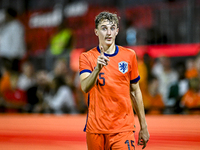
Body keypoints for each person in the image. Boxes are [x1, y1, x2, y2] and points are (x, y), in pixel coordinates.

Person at [79, 11, 149, 150]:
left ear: (117, 31)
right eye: (104, 28)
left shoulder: (129, 56)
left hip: (123, 129)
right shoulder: (87, 57)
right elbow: (85, 87)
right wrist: (97, 69)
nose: (108, 33)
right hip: (96, 129)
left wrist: (144, 126)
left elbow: (135, 92)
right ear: (96, 32)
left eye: (112, 28)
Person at [0, 7, 26, 72]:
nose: (5, 17)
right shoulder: (5, 25)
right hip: (4, 54)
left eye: (6, 15)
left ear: (9, 15)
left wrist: (12, 57)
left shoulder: (17, 26)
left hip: (13, 57)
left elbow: (17, 42)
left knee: (12, 74)